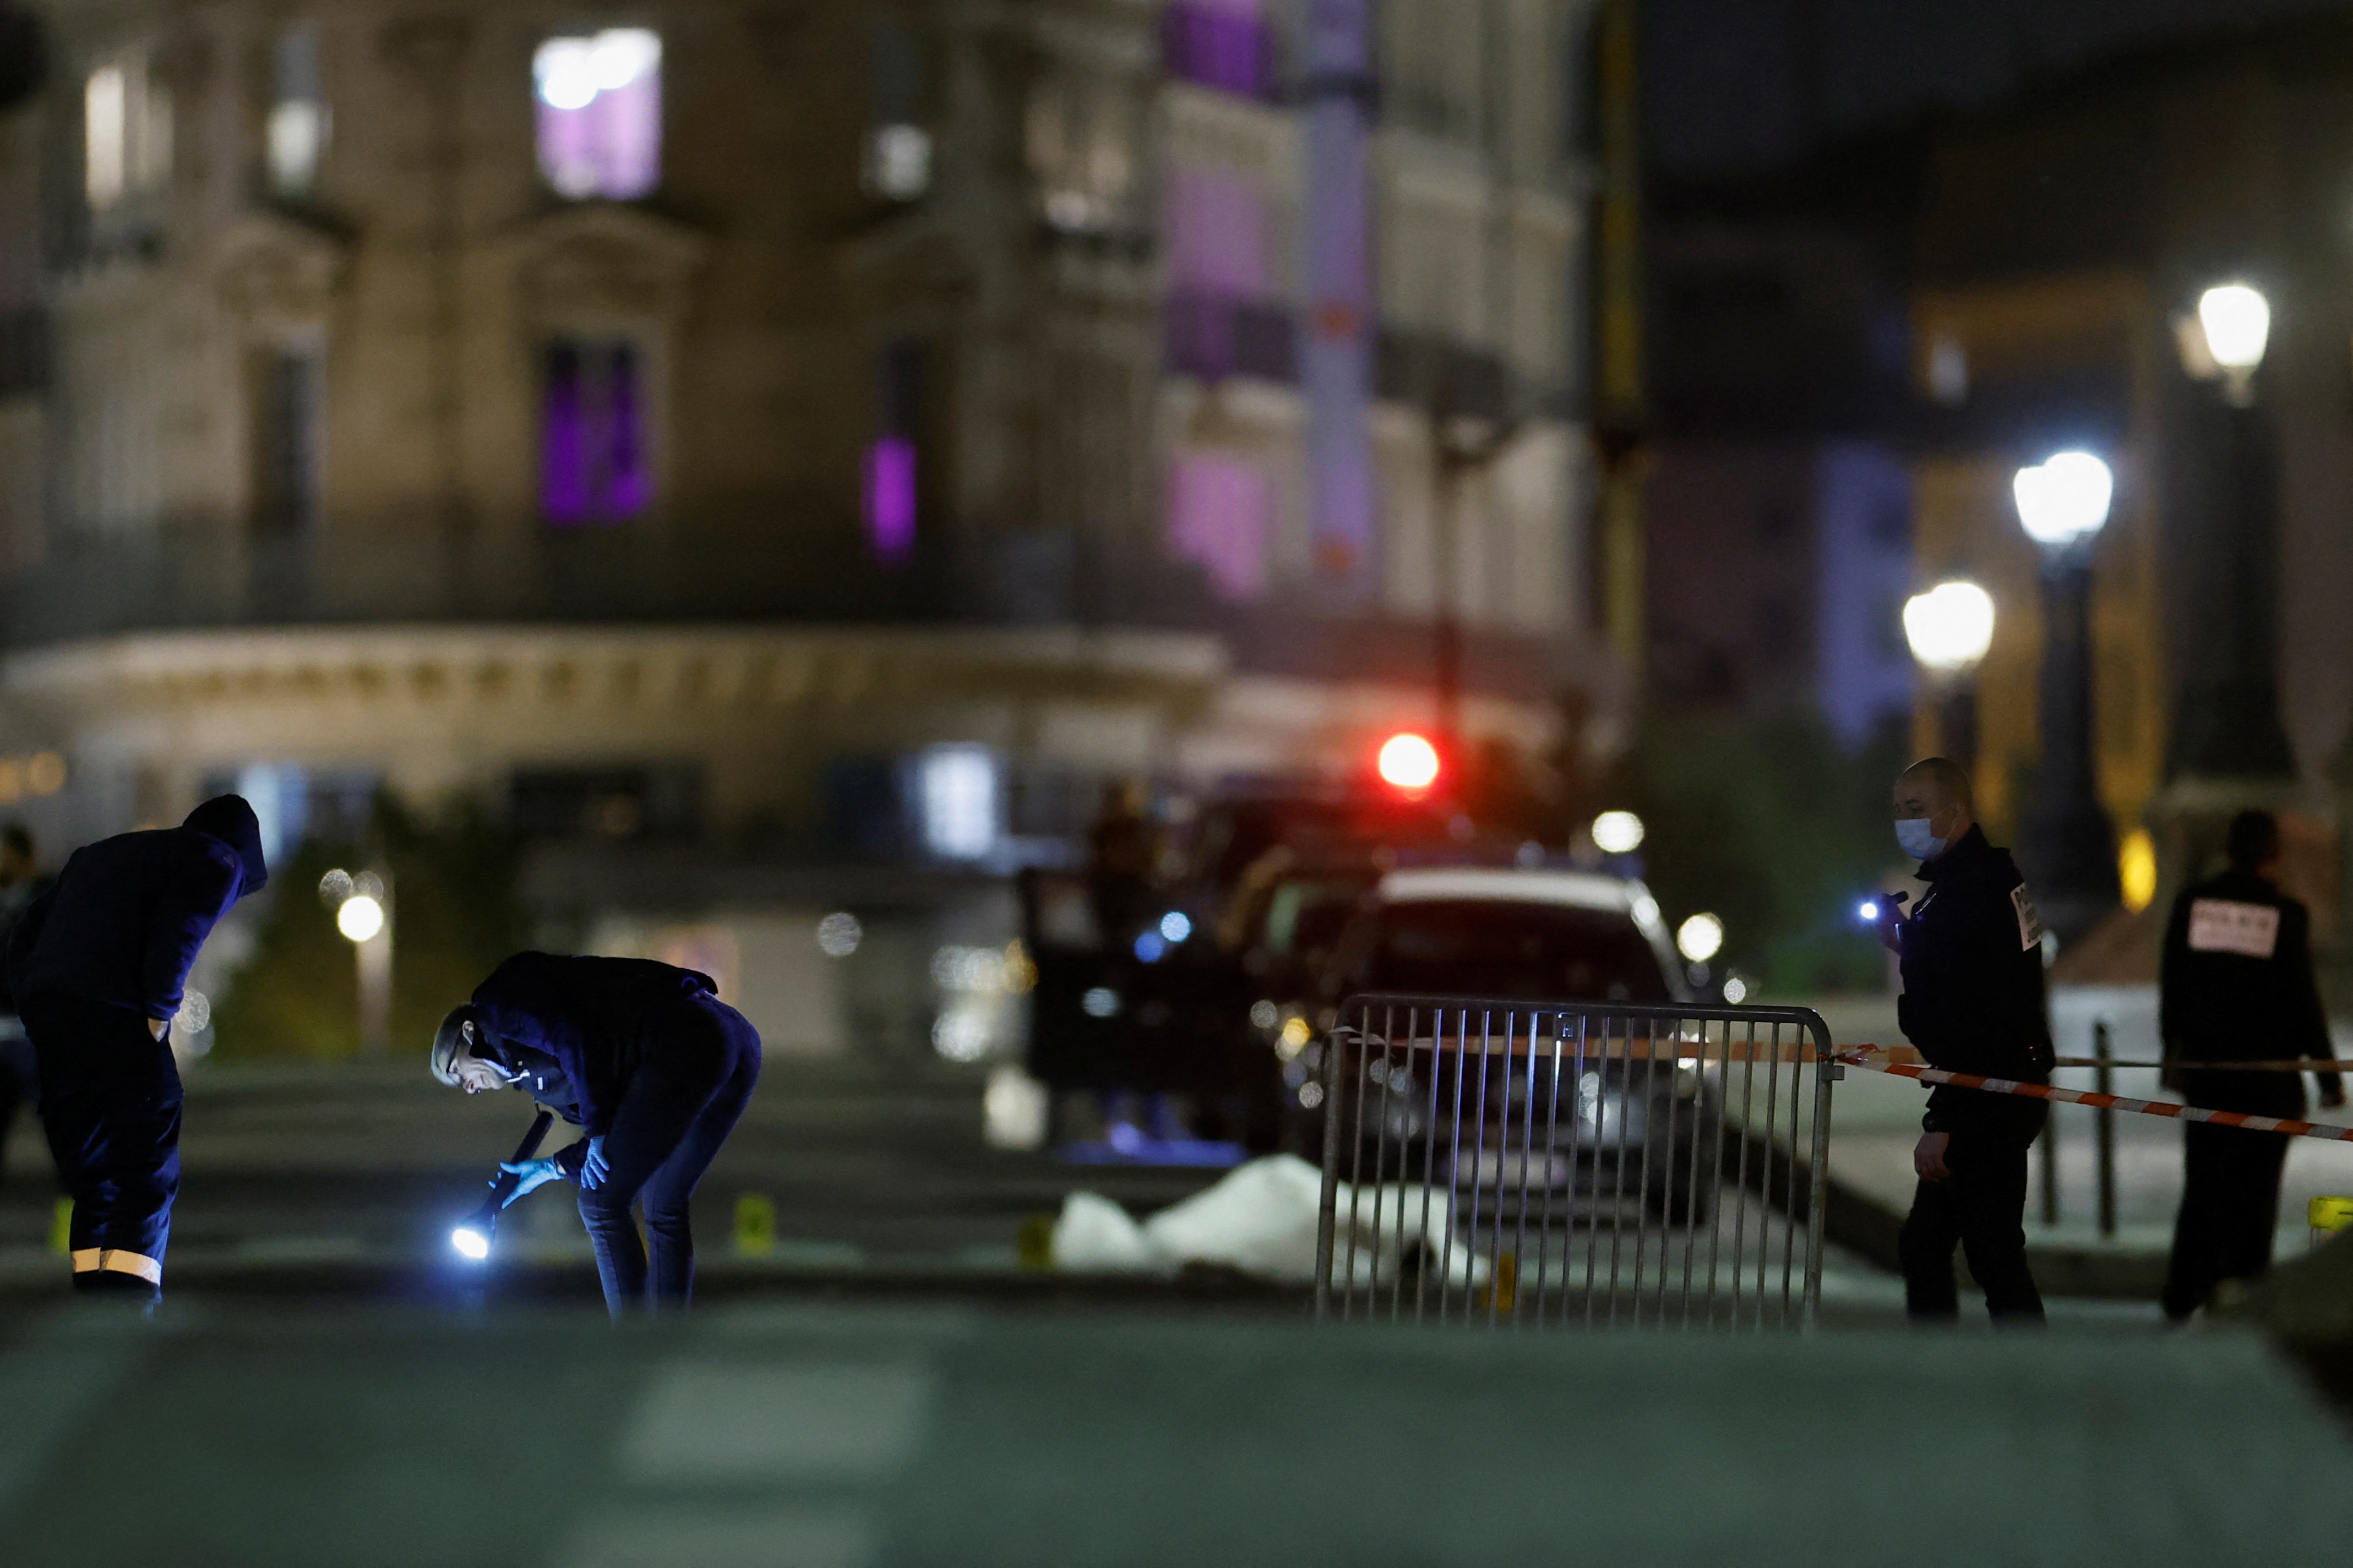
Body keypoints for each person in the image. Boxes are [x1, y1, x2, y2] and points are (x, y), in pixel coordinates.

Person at [5, 797, 269, 1303]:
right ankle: (129, 1292)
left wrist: (35, 1000)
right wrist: (159, 1011)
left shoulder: (103, 854)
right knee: (147, 1157)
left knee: (94, 1165)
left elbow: (27, 930)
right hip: (120, 1013)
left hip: (55, 1015)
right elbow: (181, 929)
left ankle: (94, 1284)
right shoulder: (217, 858)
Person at [430, 952, 761, 1318]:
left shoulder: (499, 1005)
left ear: (468, 1032)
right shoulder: (541, 1079)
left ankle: (628, 1351)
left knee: (601, 1202)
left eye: (457, 1072)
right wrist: (551, 1168)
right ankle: (664, 1344)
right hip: (728, 1040)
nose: (468, 1088)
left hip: (683, 1035)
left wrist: (599, 1128)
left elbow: (573, 1037)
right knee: (663, 1202)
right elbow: (626, 1128)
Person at [1873, 757, 2053, 1324]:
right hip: (1996, 1088)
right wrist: (1908, 944)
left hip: (1985, 1095)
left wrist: (1943, 1122)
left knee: (1987, 1253)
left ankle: (2025, 1382)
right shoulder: (1984, 881)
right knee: (1933, 1246)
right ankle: (1960, 1375)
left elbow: (1978, 1016)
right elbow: (1963, 977)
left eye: (1916, 809)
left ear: (1954, 812)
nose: (1904, 821)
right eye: (1898, 809)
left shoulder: (1971, 892)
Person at [2158, 810, 2345, 1321]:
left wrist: (2172, 1059)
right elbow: (2304, 1002)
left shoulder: (2193, 903)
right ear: (2272, 853)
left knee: (2202, 1189)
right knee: (2255, 1199)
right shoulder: (2284, 913)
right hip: (2267, 1083)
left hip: (2208, 1077)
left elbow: (2172, 986)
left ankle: (2184, 1296)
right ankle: (2241, 1293)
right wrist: (2328, 1078)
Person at [0, 825, 54, 1192]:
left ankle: (74, 1230)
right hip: (2, 1036)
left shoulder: (51, 900)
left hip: (40, 1037)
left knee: (65, 1137)